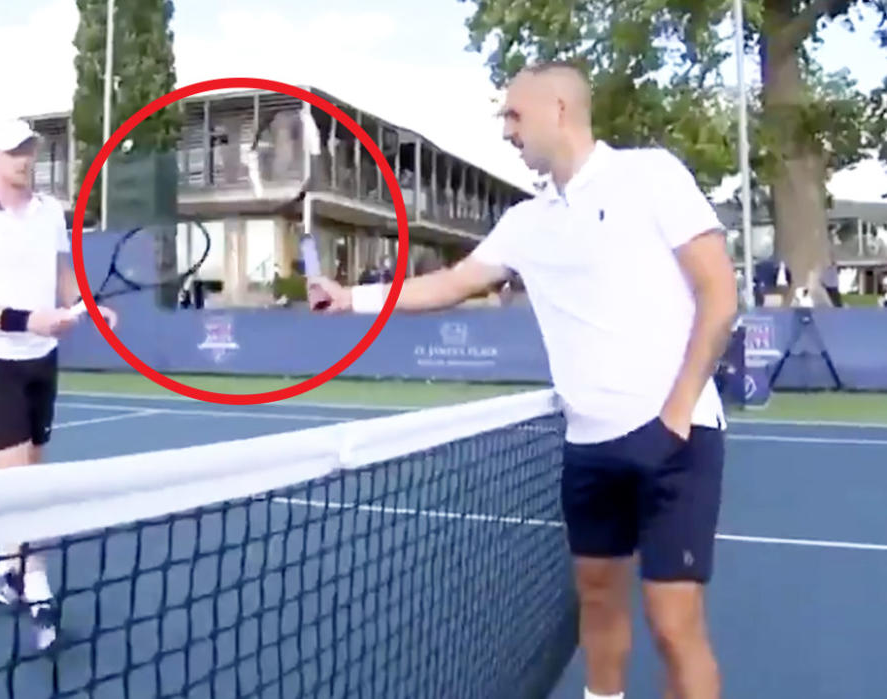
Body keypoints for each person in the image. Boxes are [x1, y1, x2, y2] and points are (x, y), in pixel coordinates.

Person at [311, 62, 738, 699]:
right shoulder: (525, 221)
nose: (506, 131)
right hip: (588, 448)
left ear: (558, 109)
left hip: (676, 441)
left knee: (674, 626)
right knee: (597, 602)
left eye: (513, 115)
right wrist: (352, 298)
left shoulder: (651, 176)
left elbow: (720, 296)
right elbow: (451, 284)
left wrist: (673, 416)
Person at [0, 117, 117, 649]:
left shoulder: (50, 214)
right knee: (27, 487)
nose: (25, 160)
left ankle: (6, 566)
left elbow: (62, 275)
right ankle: (37, 587)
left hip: (43, 359)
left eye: (29, 150)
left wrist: (85, 306)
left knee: (32, 471)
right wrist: (27, 320)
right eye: (14, 152)